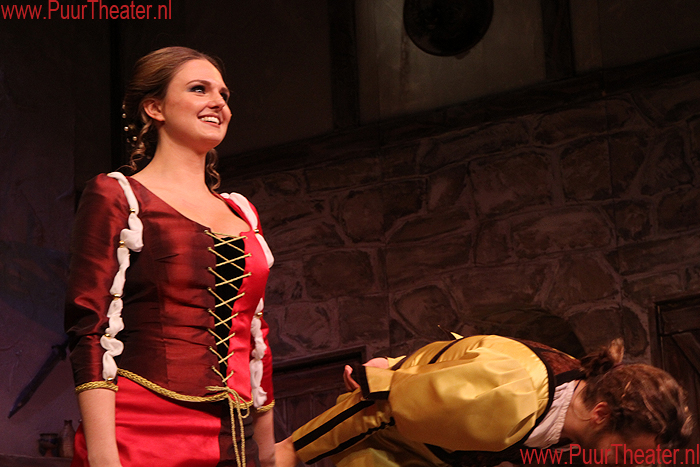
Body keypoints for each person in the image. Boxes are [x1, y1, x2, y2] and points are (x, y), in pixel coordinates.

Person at [65, 46, 276, 467]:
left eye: (223, 94)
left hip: (232, 436)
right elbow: (90, 325)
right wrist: (105, 458)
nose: (218, 102)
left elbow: (256, 335)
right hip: (140, 431)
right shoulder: (118, 195)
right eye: (199, 89)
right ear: (155, 107)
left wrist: (268, 452)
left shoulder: (242, 211)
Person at [276, 335, 693, 467]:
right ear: (602, 415)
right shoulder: (514, 395)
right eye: (628, 454)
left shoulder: (570, 412)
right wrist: (294, 451)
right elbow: (381, 408)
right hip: (386, 449)